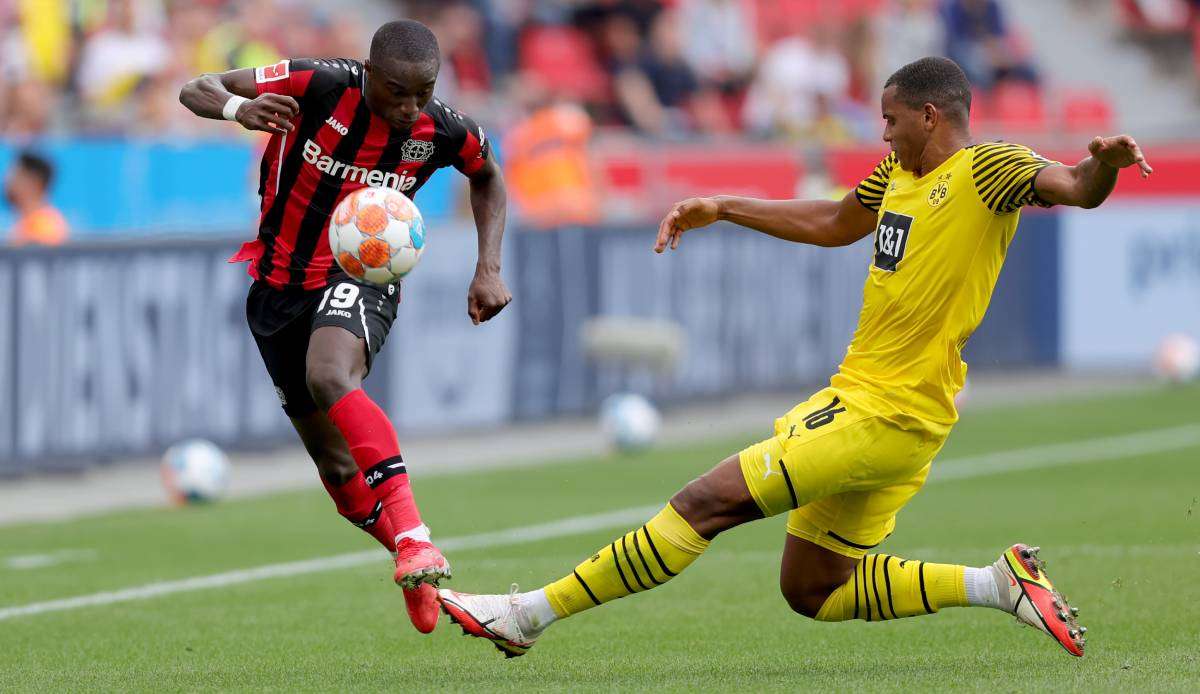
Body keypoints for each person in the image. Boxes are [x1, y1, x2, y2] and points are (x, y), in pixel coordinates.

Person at [438, 57, 1153, 659]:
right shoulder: (893, 178)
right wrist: (723, 206)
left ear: (931, 116)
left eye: (891, 119)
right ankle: (998, 585)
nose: (883, 131)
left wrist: (1104, 169)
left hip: (884, 412)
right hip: (883, 413)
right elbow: (836, 220)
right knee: (813, 589)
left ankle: (527, 615)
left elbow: (1072, 185)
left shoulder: (988, 168)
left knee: (703, 503)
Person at [178, 19, 511, 635]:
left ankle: (414, 537)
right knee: (336, 470)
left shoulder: (445, 128)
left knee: (330, 373)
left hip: (363, 272)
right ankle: (413, 565)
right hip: (277, 287)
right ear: (369, 72)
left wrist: (487, 266)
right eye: (395, 92)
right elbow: (196, 86)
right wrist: (238, 109)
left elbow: (489, 174)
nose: (410, 107)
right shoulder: (323, 82)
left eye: (423, 91)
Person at [5, 150, 69, 246]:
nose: (7, 182)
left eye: (15, 176)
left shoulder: (45, 227)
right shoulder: (27, 223)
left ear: (33, 182)